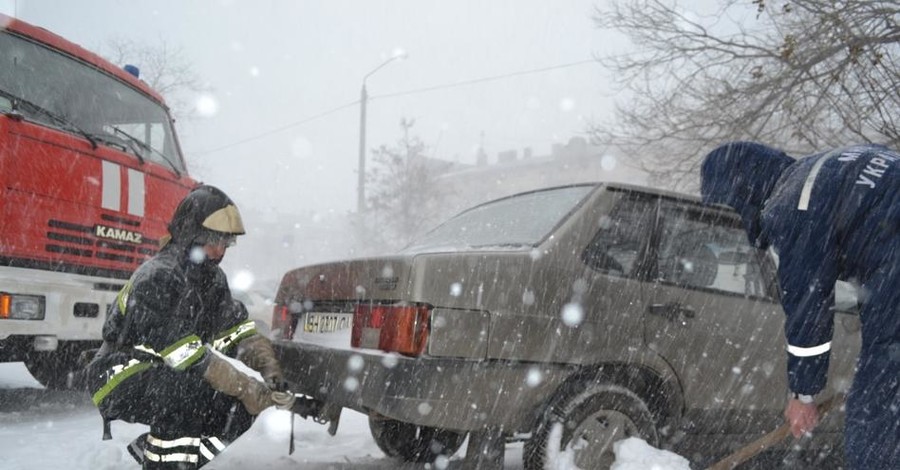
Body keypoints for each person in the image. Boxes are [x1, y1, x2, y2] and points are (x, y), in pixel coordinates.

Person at [700, 141, 900, 469]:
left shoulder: (795, 204)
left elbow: (809, 303)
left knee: (875, 423)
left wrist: (803, 394)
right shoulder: (826, 166)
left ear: (740, 194)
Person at [85, 184, 295, 469]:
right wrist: (246, 386)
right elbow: (182, 352)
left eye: (226, 242)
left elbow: (235, 332)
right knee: (187, 394)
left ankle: (168, 460)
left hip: (165, 373)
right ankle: (165, 463)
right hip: (117, 371)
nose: (220, 250)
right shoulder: (158, 276)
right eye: (214, 240)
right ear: (190, 234)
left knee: (237, 408)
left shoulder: (211, 280)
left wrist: (270, 370)